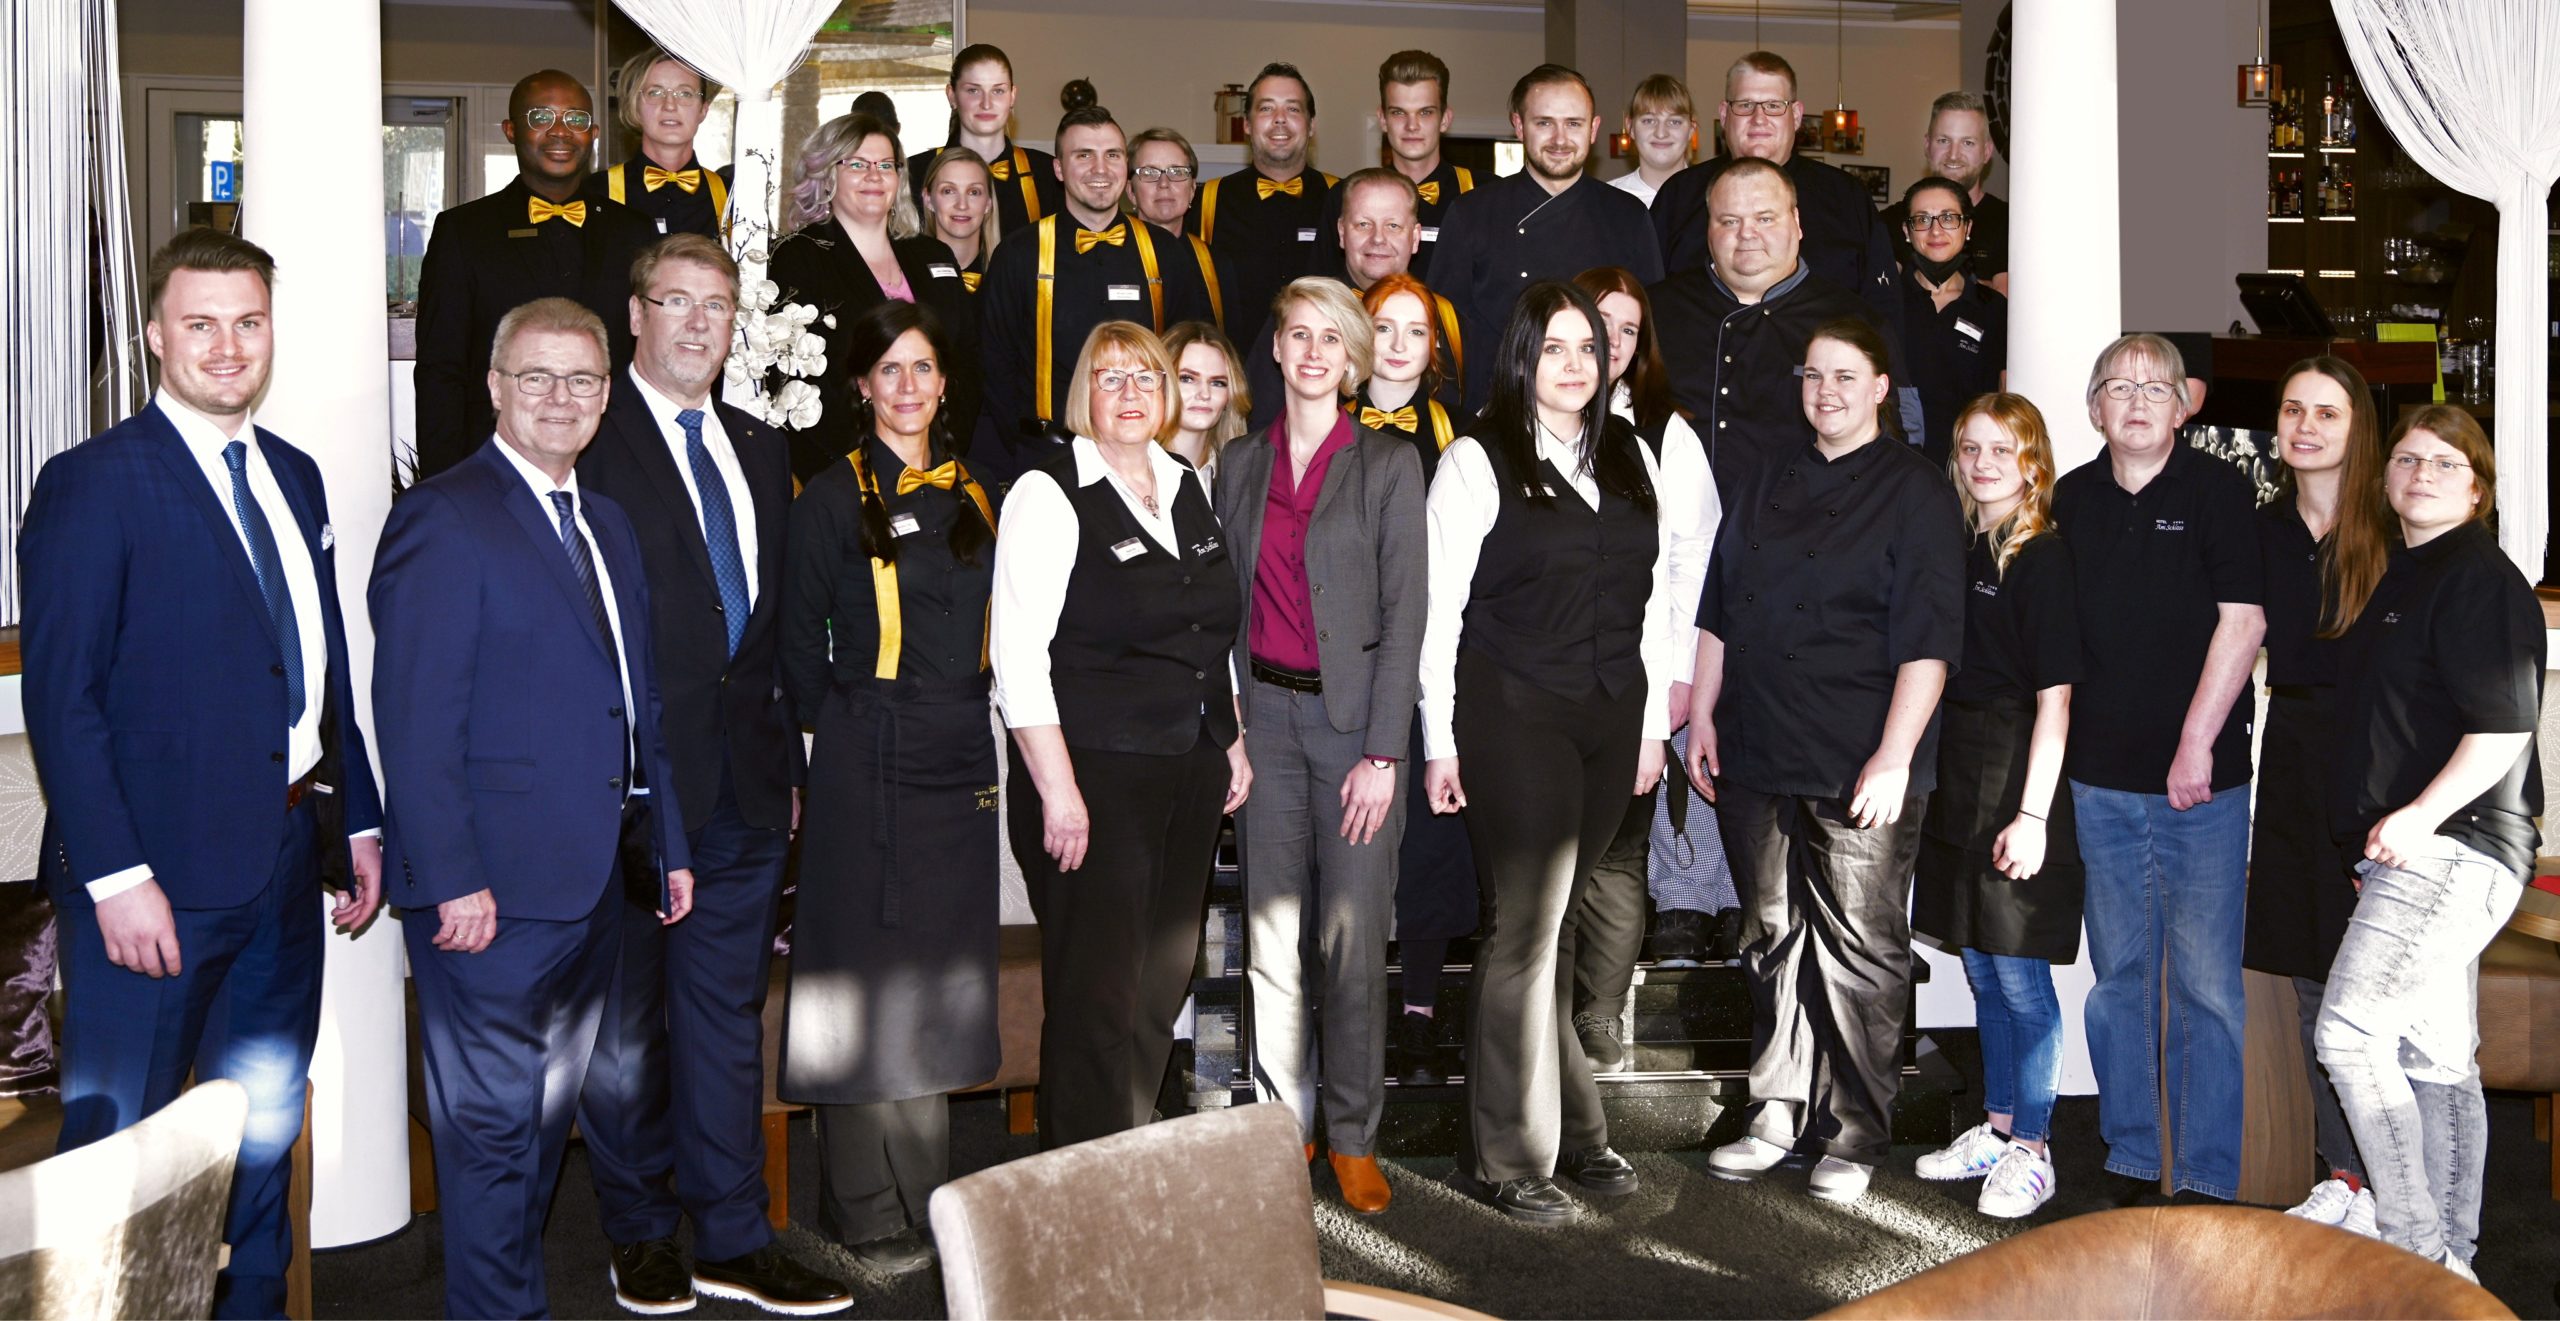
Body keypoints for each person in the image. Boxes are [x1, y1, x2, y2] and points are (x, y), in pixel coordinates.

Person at [23, 229, 384, 1320]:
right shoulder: (91, 483)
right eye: (200, 323)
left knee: (260, 1131)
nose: (228, 346)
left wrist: (357, 819)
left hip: (284, 862)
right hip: (151, 885)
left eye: (248, 322)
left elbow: (320, 668)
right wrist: (116, 876)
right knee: (123, 1159)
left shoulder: (295, 474)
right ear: (154, 335)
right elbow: (63, 701)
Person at [370, 297, 698, 1319]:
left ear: (606, 396)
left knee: (538, 1133)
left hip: (596, 882)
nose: (561, 398)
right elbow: (414, 717)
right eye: (537, 377)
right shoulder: (445, 515)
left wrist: (669, 842)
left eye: (582, 379)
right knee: (493, 1144)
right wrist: (450, 875)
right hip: (490, 897)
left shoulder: (606, 522)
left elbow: (637, 703)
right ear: (495, 386)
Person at [572, 235, 851, 1314]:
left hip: (745, 783)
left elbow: (772, 625)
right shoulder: (589, 438)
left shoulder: (761, 446)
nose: (698, 322)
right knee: (627, 1027)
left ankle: (734, 1233)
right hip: (631, 790)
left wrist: (788, 758)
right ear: (635, 314)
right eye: (677, 301)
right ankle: (640, 1231)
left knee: (726, 1018)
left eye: (717, 305)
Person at [1690, 317, 1962, 1206]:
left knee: (1861, 949)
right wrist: (1703, 713)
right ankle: (1775, 1110)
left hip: (1861, 757)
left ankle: (1852, 1132)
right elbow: (1721, 605)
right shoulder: (1765, 474)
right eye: (1813, 376)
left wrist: (1895, 755)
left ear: (1881, 387)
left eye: (1846, 376)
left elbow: (1930, 640)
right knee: (1770, 935)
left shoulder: (1917, 490)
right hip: (1757, 743)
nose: (1827, 392)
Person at [1421, 281, 1668, 1224]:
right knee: (1524, 927)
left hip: (1611, 715)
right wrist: (1439, 740)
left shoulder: (1631, 451)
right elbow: (1438, 614)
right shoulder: (1476, 459)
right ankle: (1507, 1155)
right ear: (1523, 358)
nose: (1575, 364)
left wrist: (1651, 728)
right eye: (1555, 347)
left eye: (1588, 348)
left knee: (1554, 926)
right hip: (1513, 713)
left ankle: (1574, 1125)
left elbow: (1656, 598)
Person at [780, 300, 1004, 1274]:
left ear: (945, 383)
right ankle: (866, 1209)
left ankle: (926, 1196)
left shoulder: (981, 491)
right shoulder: (830, 498)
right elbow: (796, 647)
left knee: (939, 975)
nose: (907, 386)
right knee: (862, 972)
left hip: (962, 749)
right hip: (867, 747)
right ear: (861, 386)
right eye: (889, 370)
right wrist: (847, 734)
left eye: (923, 367)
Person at [991, 321, 1252, 1148]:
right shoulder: (1049, 493)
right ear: (1085, 394)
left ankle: (1127, 1151)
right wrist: (1058, 790)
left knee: (1159, 982)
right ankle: (1079, 1178)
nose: (1131, 393)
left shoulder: (1184, 481)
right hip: (1094, 779)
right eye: (1111, 378)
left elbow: (1210, 627)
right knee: (1096, 996)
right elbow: (1017, 657)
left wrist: (1232, 739)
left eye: (1146, 377)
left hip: (1189, 768)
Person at [1215, 276, 1426, 1214]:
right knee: (1271, 943)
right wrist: (1229, 727)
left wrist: (1384, 754)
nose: (1311, 352)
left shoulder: (1387, 463)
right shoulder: (1238, 464)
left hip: (1353, 735)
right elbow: (1219, 606)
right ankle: (1282, 1125)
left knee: (1350, 942)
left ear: (1353, 359)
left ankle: (1351, 1137)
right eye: (1297, 334)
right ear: (1276, 348)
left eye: (1330, 339)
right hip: (1263, 723)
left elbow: (1406, 616)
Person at [2319, 406, 2543, 1281]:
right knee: (2437, 1057)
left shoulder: (2480, 578)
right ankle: (2452, 1274)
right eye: (2408, 459)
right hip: (2413, 851)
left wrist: (2415, 818)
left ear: (2478, 489)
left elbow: (2504, 727)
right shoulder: (2406, 573)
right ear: (2386, 479)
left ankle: (2414, 1250)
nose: (2421, 474)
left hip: (2452, 845)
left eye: (2446, 463)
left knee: (2349, 1036)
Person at [2053, 333, 2265, 1205]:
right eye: (2118, 386)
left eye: (2155, 387)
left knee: (2207, 986)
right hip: (2099, 778)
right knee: (2120, 979)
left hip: (2199, 783)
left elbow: (2244, 622)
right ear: (2093, 407)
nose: (2136, 401)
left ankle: (2207, 1173)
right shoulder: (2070, 498)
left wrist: (2194, 743)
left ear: (2185, 406)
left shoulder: (2221, 491)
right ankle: (2135, 1153)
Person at [1909, 394, 2082, 1221]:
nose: (1982, 463)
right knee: (1980, 965)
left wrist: (2034, 815)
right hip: (1960, 767)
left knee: (2018, 972)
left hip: (2017, 774)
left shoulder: (2042, 557)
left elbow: (2057, 701)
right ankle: (2000, 1125)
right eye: (1970, 448)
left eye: (2000, 450)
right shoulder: (1963, 543)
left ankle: (2034, 1149)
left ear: (2032, 463)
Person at [1565, 266, 1726, 1080]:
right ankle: (1541, 1008)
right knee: (1543, 853)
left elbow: (1695, 561)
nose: (1613, 342)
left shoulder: (1668, 434)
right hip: (1538, 677)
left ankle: (1600, 1011)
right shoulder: (1514, 424)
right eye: (1601, 323)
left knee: (1619, 855)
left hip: (1636, 676)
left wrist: (1681, 679)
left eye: (1629, 330)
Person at [2251, 358, 2383, 1235]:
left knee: (2367, 987)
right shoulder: (2262, 528)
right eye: (2293, 408)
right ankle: (2341, 1172)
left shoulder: (2395, 527)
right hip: (2295, 755)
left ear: (2357, 427)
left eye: (2326, 412)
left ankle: (2388, 1182)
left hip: (2380, 764)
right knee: (2308, 976)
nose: (2305, 425)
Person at [413, 69, 657, 481]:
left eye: (576, 119)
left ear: (594, 133)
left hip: (614, 467)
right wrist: (446, 484)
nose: (560, 131)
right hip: (494, 465)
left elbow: (647, 362)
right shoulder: (463, 232)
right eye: (541, 117)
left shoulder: (634, 232)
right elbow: (441, 370)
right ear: (511, 130)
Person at [1354, 273, 1474, 1083]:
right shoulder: (1320, 419)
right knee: (1354, 839)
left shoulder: (1460, 434)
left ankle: (1421, 1007)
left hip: (1430, 657)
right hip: (1343, 661)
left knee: (1432, 838)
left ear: (1436, 348)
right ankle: (1354, 1005)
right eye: (1384, 327)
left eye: (1416, 330)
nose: (1398, 345)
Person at [980, 106, 1224, 487]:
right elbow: (995, 364)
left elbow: (1187, 355)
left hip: (1145, 456)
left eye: (1112, 155)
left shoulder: (1166, 253)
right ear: (1059, 169)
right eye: (1084, 155)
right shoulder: (1019, 253)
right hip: (1046, 459)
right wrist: (1023, 444)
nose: (1100, 169)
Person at [1648, 158, 1898, 496]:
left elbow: (1893, 445)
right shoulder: (1653, 309)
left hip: (1811, 516)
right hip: (1670, 515)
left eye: (1765, 219)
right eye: (1729, 221)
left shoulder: (1855, 320)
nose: (1747, 234)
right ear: (1708, 229)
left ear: (1797, 223)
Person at [1431, 65, 1663, 409]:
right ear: (1518, 126)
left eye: (1573, 124)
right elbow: (1444, 332)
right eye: (1544, 123)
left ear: (1593, 129)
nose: (1559, 139)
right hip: (1493, 407)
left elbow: (1649, 332)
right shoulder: (1471, 213)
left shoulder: (1627, 216)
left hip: (1598, 410)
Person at [771, 111, 982, 483]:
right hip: (843, 469)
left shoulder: (933, 255)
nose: (874, 175)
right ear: (827, 175)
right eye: (857, 164)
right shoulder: (797, 257)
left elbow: (965, 362)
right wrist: (875, 464)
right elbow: (796, 380)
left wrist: (938, 451)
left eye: (886, 165)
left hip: (938, 465)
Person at [1647, 53, 1898, 335]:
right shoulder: (1679, 195)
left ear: (1797, 115)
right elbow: (1645, 301)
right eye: (1745, 105)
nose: (1759, 118)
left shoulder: (1847, 197)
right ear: (1724, 114)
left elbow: (1883, 309)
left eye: (1774, 106)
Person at [1240, 168, 1463, 431]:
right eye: (1363, 224)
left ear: (1414, 238)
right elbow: (1262, 419)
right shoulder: (1302, 310)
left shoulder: (1443, 315)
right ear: (1342, 232)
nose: (1378, 238)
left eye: (1393, 226)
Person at [1190, 63, 1340, 343]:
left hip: (1322, 363)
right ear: (1247, 124)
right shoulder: (1206, 200)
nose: (1280, 119)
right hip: (1233, 366)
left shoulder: (1342, 198)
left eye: (1293, 109)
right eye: (1266, 108)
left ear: (1311, 125)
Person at [1896, 176, 2007, 468]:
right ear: (1907, 231)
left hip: (1967, 468)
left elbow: (2003, 397)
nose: (1936, 230)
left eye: (1948, 218)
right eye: (1922, 219)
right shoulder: (1884, 303)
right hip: (1893, 466)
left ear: (1967, 228)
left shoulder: (1993, 308)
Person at [907, 44, 1063, 233]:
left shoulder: (1047, 174)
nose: (986, 104)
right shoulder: (913, 174)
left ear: (1012, 96)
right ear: (952, 95)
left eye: (998, 91)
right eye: (973, 90)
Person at [587, 47, 730, 239]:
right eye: (655, 92)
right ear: (635, 106)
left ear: (703, 110)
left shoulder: (732, 196)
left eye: (685, 93)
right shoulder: (596, 193)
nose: (669, 105)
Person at [1374, 50, 1476, 279]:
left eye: (1425, 112)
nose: (1412, 126)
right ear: (1383, 119)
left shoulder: (1485, 193)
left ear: (1445, 119)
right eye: (1399, 113)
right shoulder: (1348, 196)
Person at [1902, 91, 2006, 294]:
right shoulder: (1892, 221)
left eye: (1968, 143)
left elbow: (2007, 304)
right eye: (1943, 140)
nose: (1953, 155)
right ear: (1927, 146)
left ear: (1987, 152)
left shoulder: (2011, 225)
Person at [1163, 319, 1250, 482]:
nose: (1204, 394)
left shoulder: (1242, 478)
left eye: (1217, 383)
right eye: (1187, 378)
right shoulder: (1126, 472)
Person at [918, 146, 999, 287]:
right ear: (928, 199)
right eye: (948, 191)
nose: (962, 205)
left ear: (988, 203)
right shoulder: (905, 273)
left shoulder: (1009, 275)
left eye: (974, 192)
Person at [1610, 74, 1696, 207]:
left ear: (1691, 129)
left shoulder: (1714, 196)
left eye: (1674, 122)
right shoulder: (1606, 200)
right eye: (1649, 121)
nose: (1661, 133)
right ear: (1630, 127)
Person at [1129, 127, 1203, 238]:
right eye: (1149, 172)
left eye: (1177, 172)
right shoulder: (1108, 249)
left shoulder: (1206, 250)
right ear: (1131, 191)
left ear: (1192, 189)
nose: (1164, 183)